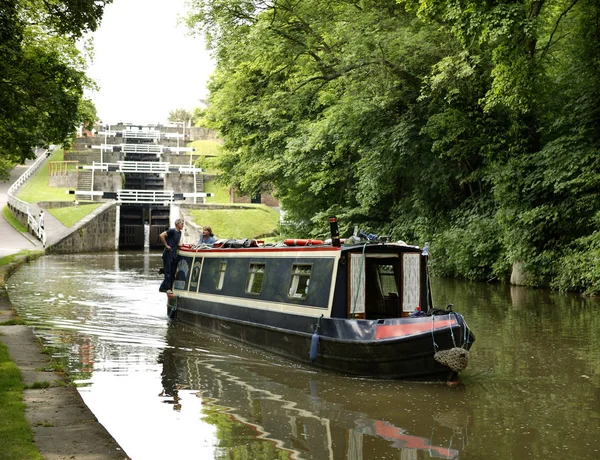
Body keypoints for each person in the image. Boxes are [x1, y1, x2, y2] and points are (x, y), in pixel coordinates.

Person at [159, 218, 184, 293]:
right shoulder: (172, 231)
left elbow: (178, 242)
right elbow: (161, 235)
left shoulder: (179, 233)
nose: (183, 225)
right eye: (182, 223)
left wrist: (182, 245)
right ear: (177, 224)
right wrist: (166, 245)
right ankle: (167, 289)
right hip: (168, 254)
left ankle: (163, 287)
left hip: (173, 254)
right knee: (168, 272)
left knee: (172, 272)